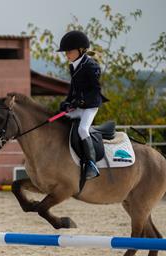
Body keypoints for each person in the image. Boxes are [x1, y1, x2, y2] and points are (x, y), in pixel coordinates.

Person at [57, 30, 108, 180]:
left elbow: (95, 90)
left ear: (81, 50)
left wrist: (81, 101)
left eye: (69, 51)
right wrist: (67, 102)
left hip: (91, 106)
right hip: (79, 106)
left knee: (83, 129)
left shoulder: (91, 66)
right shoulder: (73, 66)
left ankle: (92, 165)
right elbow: (73, 88)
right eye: (65, 51)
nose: (66, 54)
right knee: (61, 120)